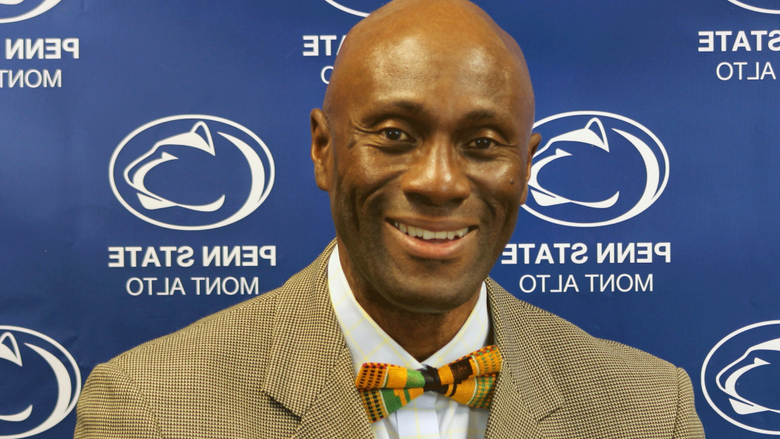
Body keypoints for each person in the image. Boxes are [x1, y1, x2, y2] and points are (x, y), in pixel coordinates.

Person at [75, 0, 705, 437]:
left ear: (527, 165)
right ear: (324, 150)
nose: (440, 182)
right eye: (396, 134)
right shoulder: (148, 409)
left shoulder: (651, 412)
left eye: (483, 143)